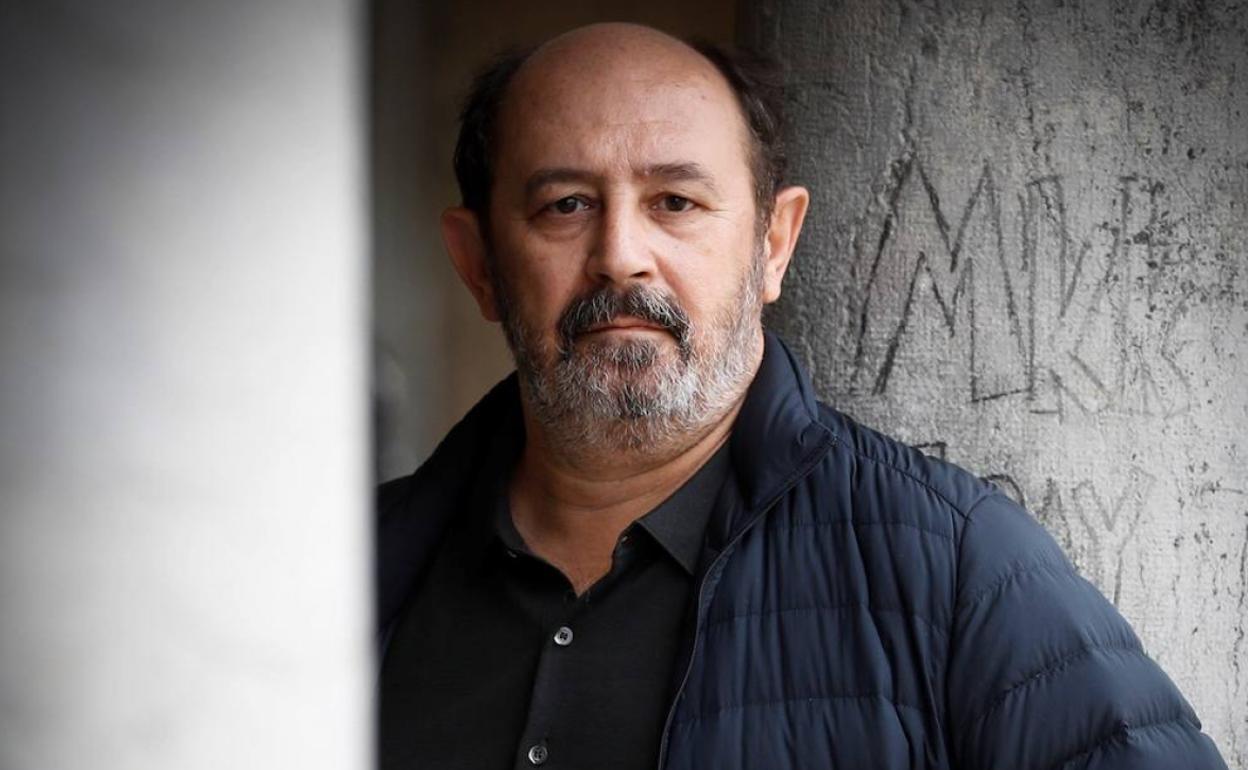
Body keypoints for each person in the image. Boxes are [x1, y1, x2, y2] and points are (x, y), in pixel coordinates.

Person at [376, 22, 1227, 770]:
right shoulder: (349, 570)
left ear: (774, 245)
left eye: (676, 201)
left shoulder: (960, 570)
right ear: (479, 264)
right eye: (566, 205)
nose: (621, 255)